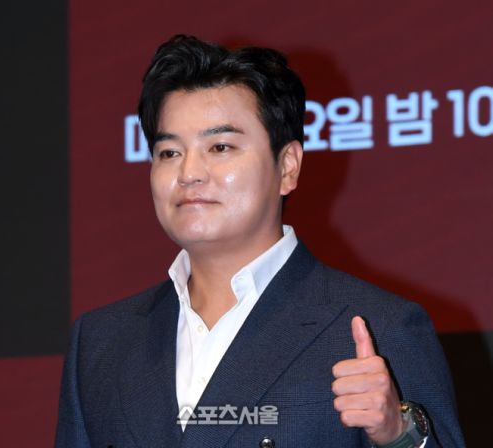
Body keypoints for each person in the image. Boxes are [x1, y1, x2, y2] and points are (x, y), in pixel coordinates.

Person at [55, 35, 464, 448]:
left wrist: (399, 435)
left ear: (287, 167)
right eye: (169, 153)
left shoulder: (378, 328)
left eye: (220, 147)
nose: (189, 173)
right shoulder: (101, 341)